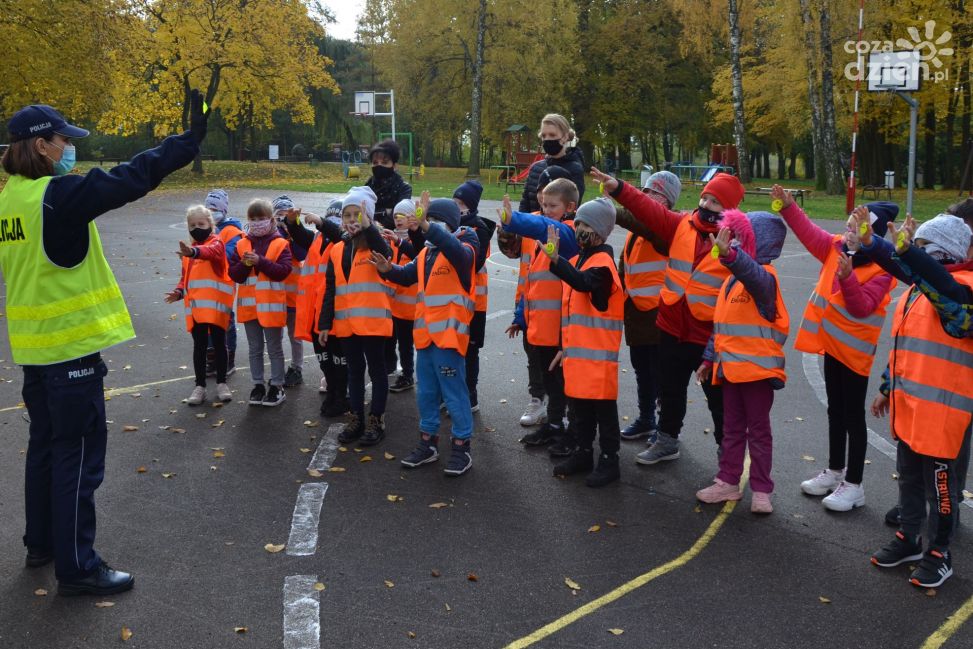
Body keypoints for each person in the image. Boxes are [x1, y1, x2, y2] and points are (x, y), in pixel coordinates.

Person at [0, 92, 207, 595]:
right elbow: (131, 177)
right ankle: (77, 567)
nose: (69, 146)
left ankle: (42, 544)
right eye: (64, 139)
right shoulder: (58, 196)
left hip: (34, 349)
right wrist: (186, 143)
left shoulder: (10, 198)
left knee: (45, 449)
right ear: (42, 146)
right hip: (70, 352)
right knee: (77, 459)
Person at [593, 167, 745, 465]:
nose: (707, 206)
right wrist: (618, 187)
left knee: (718, 401)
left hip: (708, 336)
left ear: (730, 210)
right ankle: (667, 440)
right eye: (706, 198)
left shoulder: (736, 242)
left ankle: (728, 457)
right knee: (671, 391)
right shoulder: (682, 225)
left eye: (716, 203)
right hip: (672, 327)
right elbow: (646, 209)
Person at [860, 212, 973, 588]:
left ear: (943, 253)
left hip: (942, 416)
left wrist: (907, 253)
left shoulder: (962, 293)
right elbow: (904, 347)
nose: (913, 256)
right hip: (910, 410)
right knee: (908, 477)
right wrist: (887, 388)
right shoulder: (915, 292)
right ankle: (909, 537)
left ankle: (940, 553)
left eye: (922, 248)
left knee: (941, 490)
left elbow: (948, 297)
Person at [771, 185, 899, 512]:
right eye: (849, 225)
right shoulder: (836, 247)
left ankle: (854, 485)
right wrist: (788, 207)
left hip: (855, 354)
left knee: (854, 416)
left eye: (858, 228)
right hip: (831, 346)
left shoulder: (883, 270)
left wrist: (847, 279)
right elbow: (809, 231)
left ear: (874, 235)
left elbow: (861, 307)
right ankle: (834, 469)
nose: (849, 232)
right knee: (835, 410)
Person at [374, 196, 480, 475]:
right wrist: (388, 270)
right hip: (426, 339)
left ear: (451, 225)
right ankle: (428, 443)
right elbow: (407, 275)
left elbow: (457, 249)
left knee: (455, 395)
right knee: (427, 394)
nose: (429, 226)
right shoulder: (425, 254)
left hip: (449, 339)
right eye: (428, 221)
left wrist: (425, 226)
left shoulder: (464, 248)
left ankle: (461, 447)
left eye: (435, 222)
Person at [695, 210, 789, 514]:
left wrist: (731, 256)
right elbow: (721, 325)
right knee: (732, 429)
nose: (732, 240)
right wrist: (709, 358)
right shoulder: (730, 284)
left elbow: (754, 275)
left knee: (759, 433)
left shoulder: (765, 280)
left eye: (738, 236)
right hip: (730, 371)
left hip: (757, 374)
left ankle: (762, 489)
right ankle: (728, 481)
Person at [545, 198, 625, 487]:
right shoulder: (583, 259)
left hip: (598, 357)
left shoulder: (602, 264)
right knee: (581, 411)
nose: (579, 229)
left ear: (601, 232)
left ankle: (610, 460)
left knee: (604, 412)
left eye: (586, 225)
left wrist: (557, 261)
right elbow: (572, 311)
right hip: (579, 356)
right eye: (577, 223)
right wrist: (563, 348)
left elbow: (583, 283)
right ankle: (583, 451)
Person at [500, 178, 580, 456]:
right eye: (543, 204)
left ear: (570, 207)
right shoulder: (539, 244)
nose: (546, 210)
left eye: (553, 205)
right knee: (549, 381)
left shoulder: (568, 234)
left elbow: (546, 226)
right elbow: (531, 283)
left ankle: (567, 429)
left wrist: (514, 220)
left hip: (559, 328)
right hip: (539, 328)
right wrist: (520, 317)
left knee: (561, 383)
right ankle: (554, 425)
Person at [318, 187, 393, 445]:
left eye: (357, 214)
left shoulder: (377, 240)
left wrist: (368, 226)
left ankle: (376, 420)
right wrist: (325, 323)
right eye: (347, 215)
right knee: (354, 372)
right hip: (346, 323)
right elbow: (331, 287)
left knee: (377, 371)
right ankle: (358, 417)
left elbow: (387, 253)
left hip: (372, 322)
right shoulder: (338, 249)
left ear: (368, 217)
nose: (352, 219)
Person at [617, 171, 681, 444]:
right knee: (643, 371)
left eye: (652, 193)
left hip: (660, 316)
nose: (644, 196)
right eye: (643, 190)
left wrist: (613, 206)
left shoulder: (666, 229)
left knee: (663, 377)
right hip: (638, 316)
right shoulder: (638, 233)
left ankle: (666, 430)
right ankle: (646, 419)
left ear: (666, 202)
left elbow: (642, 223)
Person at [284, 199, 351, 416]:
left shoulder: (346, 241)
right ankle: (333, 391)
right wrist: (292, 223)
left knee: (339, 359)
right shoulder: (318, 239)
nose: (333, 221)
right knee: (324, 359)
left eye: (336, 218)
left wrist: (322, 222)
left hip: (335, 313)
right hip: (315, 313)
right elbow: (301, 235)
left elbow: (339, 234)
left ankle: (341, 395)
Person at [164, 205, 234, 405]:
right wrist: (178, 292)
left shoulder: (216, 244)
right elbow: (185, 278)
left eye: (201, 224)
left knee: (220, 344)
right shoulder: (189, 251)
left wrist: (193, 252)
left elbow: (210, 252)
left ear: (210, 225)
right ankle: (200, 386)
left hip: (217, 308)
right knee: (200, 347)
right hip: (196, 309)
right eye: (192, 224)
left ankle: (222, 383)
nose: (197, 227)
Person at [228, 198, 292, 407]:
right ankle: (258, 385)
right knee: (255, 348)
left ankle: (277, 385)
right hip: (249, 307)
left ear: (271, 220)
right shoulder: (241, 244)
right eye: (253, 219)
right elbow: (235, 274)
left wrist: (260, 261)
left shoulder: (281, 243)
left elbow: (283, 272)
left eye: (261, 218)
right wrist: (246, 263)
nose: (257, 222)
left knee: (274, 348)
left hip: (271, 307)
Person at [453, 180, 497, 412]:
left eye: (460, 203)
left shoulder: (479, 231)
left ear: (470, 206)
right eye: (454, 202)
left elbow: (474, 261)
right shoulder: (452, 226)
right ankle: (452, 393)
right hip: (455, 302)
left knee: (470, 351)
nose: (456, 206)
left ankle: (470, 395)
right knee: (453, 349)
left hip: (474, 304)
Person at [204, 188, 242, 376]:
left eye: (214, 208)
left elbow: (228, 256)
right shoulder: (204, 229)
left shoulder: (232, 231)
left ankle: (228, 360)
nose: (211, 212)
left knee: (225, 322)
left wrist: (204, 255)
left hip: (223, 285)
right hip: (205, 286)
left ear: (223, 210)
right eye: (208, 209)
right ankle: (212, 359)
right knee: (208, 322)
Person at [272, 195, 308, 388]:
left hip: (293, 297)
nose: (283, 220)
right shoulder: (272, 235)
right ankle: (277, 369)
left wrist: (292, 233)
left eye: (286, 215)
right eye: (279, 215)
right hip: (275, 297)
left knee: (295, 336)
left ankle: (297, 368)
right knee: (275, 337)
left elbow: (302, 253)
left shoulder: (296, 234)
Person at [519, 114, 586, 214]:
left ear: (565, 137)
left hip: (557, 228)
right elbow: (525, 206)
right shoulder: (535, 168)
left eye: (552, 135)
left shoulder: (574, 169)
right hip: (531, 227)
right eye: (544, 135)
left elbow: (572, 210)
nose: (547, 139)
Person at [386, 199, 419, 393]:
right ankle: (406, 375)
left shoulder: (416, 240)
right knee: (403, 344)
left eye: (402, 216)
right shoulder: (393, 240)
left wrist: (398, 241)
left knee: (419, 346)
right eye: (395, 216)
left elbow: (417, 253)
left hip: (416, 306)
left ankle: (414, 374)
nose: (398, 220)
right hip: (398, 306)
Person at [366, 139, 412, 229]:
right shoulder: (367, 187)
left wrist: (375, 217)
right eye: (375, 162)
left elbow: (398, 217)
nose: (379, 166)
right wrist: (385, 211)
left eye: (384, 162)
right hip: (370, 234)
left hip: (395, 236)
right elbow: (361, 214)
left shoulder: (403, 188)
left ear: (394, 166)